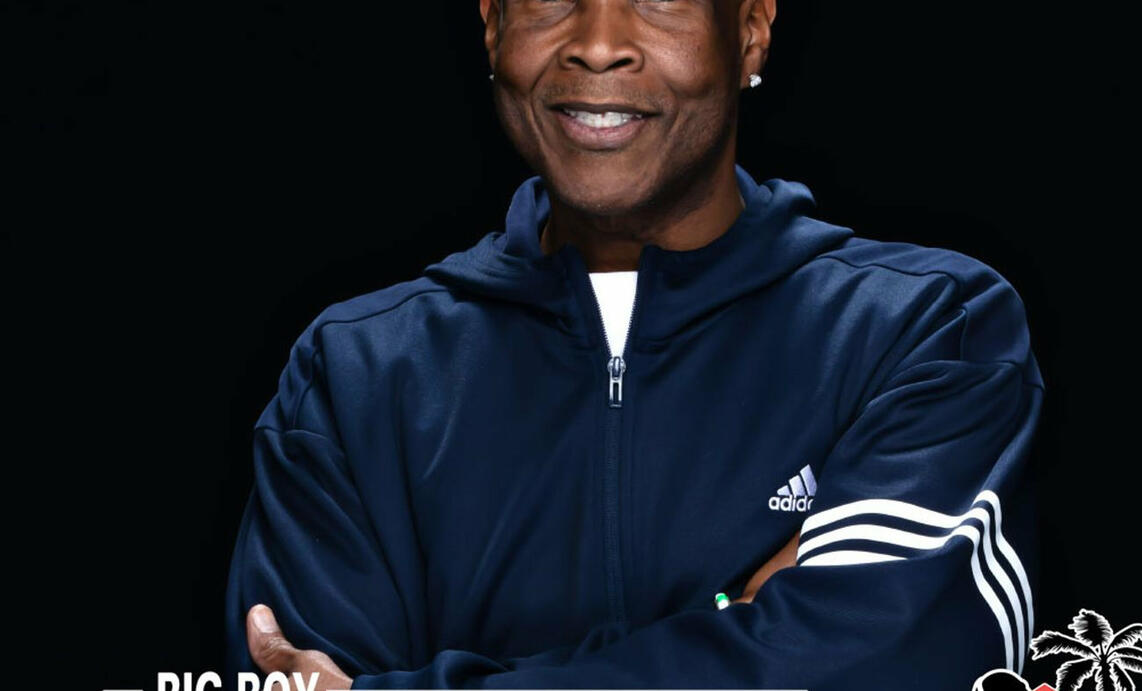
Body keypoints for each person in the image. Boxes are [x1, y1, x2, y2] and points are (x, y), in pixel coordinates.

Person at [224, 0, 1046, 688]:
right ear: (492, 26)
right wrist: (740, 624)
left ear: (750, 30)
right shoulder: (355, 375)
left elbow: (898, 665)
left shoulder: (928, 329)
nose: (598, 43)